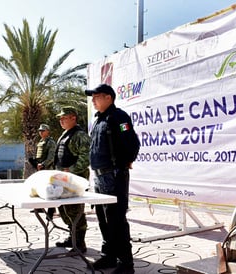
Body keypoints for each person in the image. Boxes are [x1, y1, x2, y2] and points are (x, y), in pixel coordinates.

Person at [85, 84, 140, 274]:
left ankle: (126, 264)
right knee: (103, 218)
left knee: (116, 220)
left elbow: (131, 142)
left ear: (109, 97)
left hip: (114, 176)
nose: (93, 100)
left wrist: (126, 162)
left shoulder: (119, 117)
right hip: (100, 177)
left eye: (96, 96)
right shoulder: (99, 119)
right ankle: (109, 256)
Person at [54, 107, 91, 254]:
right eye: (60, 118)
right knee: (64, 209)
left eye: (64, 117)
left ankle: (80, 244)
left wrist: (72, 170)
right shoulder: (65, 134)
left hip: (75, 180)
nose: (61, 120)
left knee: (75, 211)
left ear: (73, 118)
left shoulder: (80, 135)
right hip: (63, 179)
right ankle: (72, 237)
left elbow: (86, 156)